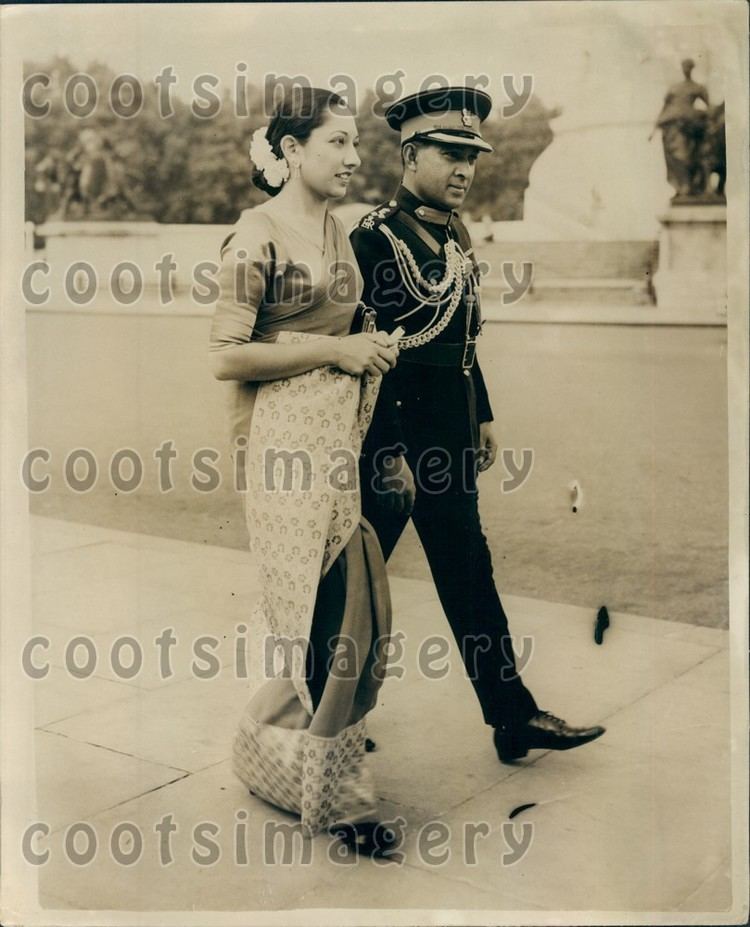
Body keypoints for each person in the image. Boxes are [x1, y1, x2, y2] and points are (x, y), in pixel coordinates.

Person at [350, 87, 606, 764]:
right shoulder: (374, 238)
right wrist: (387, 453)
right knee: (351, 590)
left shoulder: (452, 232)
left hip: (451, 442)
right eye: (451, 153)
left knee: (469, 575)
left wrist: (482, 414)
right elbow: (369, 356)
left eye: (473, 155)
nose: (466, 167)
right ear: (410, 155)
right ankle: (322, 718)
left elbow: (459, 335)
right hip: (396, 451)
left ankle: (511, 716)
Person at [209, 88, 401, 857]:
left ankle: (281, 743)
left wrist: (370, 344)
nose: (355, 159)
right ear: (292, 150)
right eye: (339, 143)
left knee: (353, 606)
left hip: (334, 440)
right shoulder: (254, 234)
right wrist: (338, 351)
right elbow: (225, 353)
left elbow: (342, 331)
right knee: (338, 610)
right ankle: (340, 797)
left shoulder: (337, 230)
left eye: (357, 144)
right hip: (282, 446)